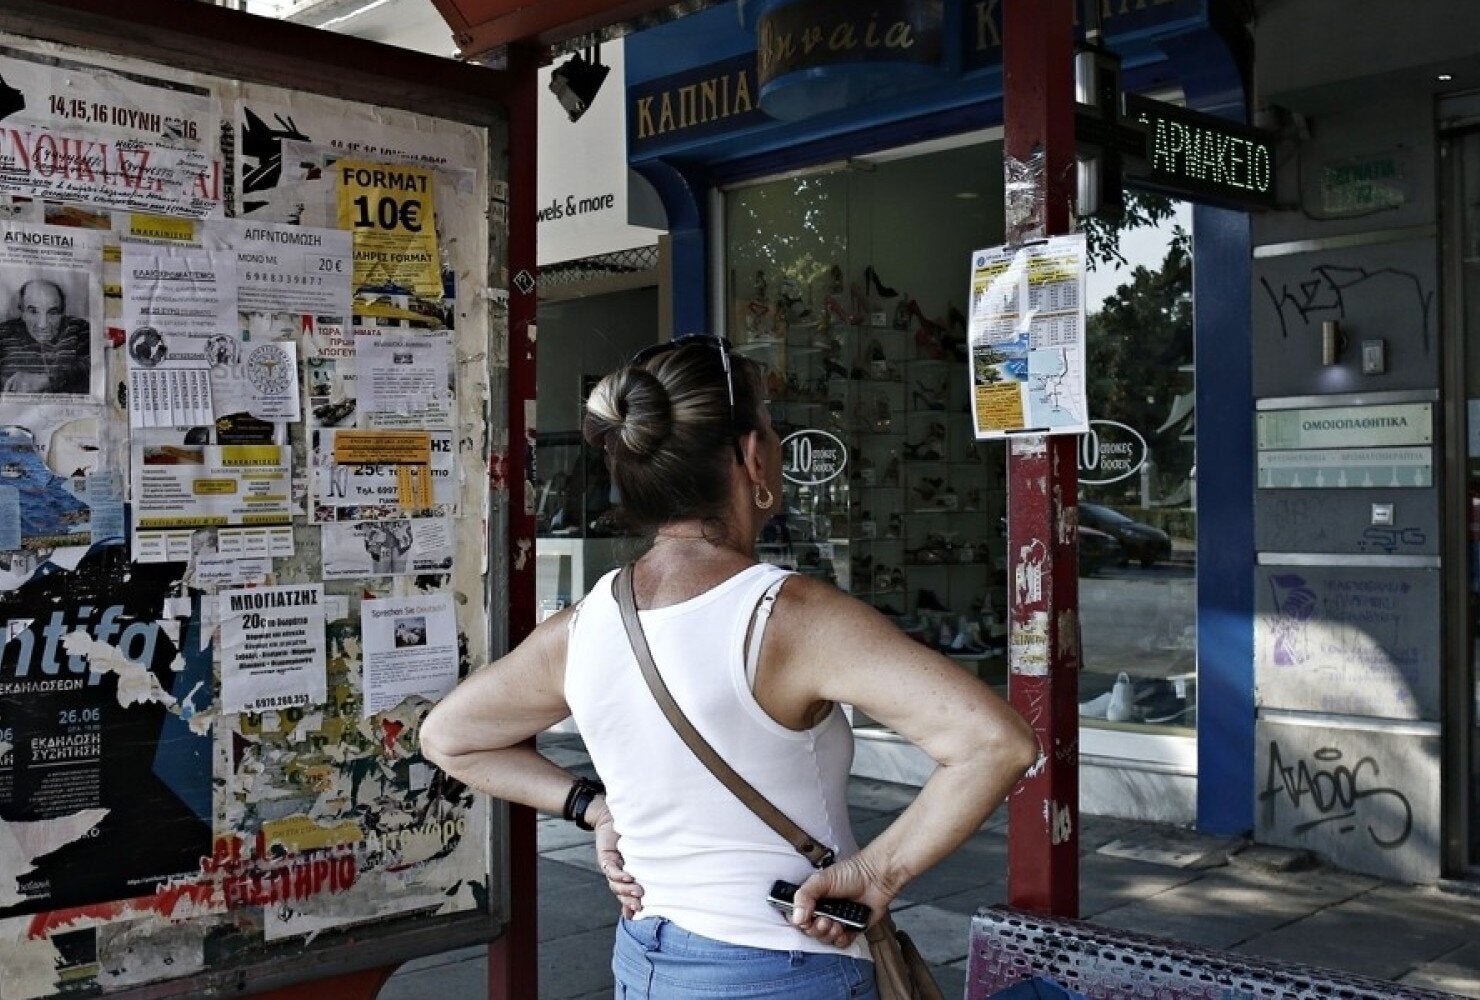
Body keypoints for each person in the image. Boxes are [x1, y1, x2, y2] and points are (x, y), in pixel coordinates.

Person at [420, 335, 1035, 999]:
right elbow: (995, 743)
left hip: (646, 961)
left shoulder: (581, 627)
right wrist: (877, 874)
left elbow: (448, 736)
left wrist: (594, 809)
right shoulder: (789, 617)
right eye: (769, 424)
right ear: (750, 456)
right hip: (782, 967)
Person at [0, 278, 91, 394]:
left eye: (52, 312)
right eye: (33, 312)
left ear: (62, 313)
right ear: (22, 312)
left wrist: (46, 380)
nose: (43, 325)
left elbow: (93, 367)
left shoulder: (78, 329)